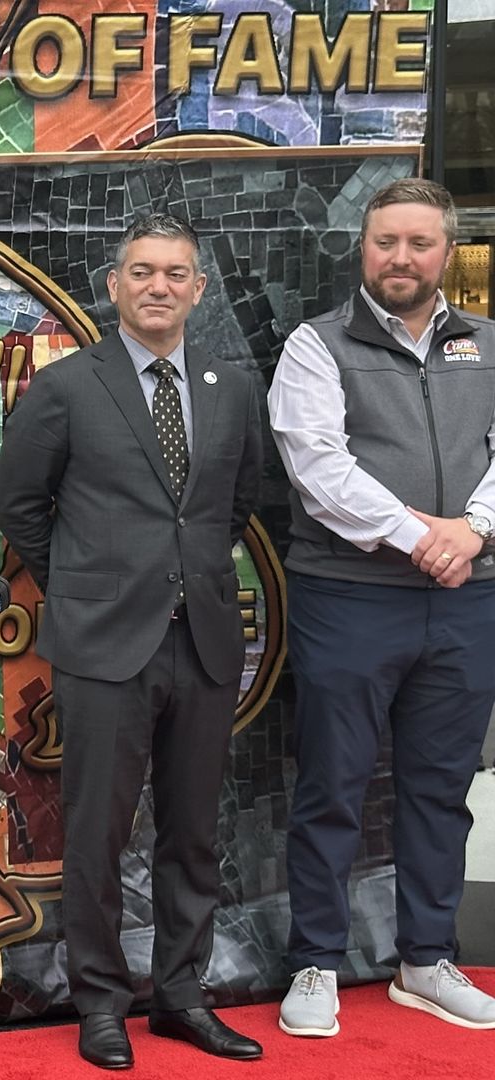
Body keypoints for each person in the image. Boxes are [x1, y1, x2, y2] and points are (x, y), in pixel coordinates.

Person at [0, 214, 266, 1068]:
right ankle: (101, 1003)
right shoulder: (70, 385)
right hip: (105, 644)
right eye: (142, 272)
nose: (158, 286)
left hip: (206, 642)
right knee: (98, 835)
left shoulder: (231, 383)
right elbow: (18, 505)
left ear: (198, 288)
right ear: (113, 287)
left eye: (176, 273)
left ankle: (183, 995)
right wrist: (87, 575)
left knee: (191, 833)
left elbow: (240, 500)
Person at [269, 177, 495, 1036]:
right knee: (332, 784)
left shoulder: (490, 344)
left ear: (447, 252)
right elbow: (319, 471)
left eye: (420, 243)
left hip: (467, 599)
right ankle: (316, 963)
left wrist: (471, 533)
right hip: (352, 597)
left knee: (441, 788)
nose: (401, 258)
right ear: (362, 249)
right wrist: (422, 538)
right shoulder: (315, 346)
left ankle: (426, 960)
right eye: (385, 242)